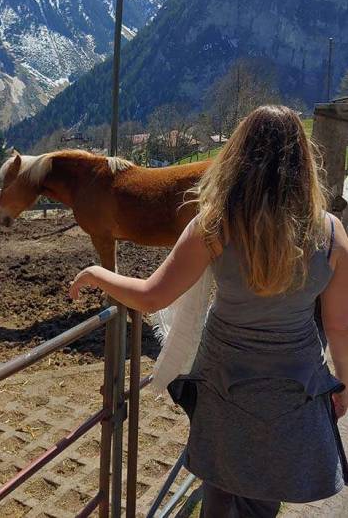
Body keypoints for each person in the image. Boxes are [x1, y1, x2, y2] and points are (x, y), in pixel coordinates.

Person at [70, 105, 348, 517]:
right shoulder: (330, 233)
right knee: (262, 497)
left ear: (238, 156)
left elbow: (151, 296)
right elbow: (339, 326)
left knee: (219, 486)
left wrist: (98, 273)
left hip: (224, 384)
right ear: (303, 163)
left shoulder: (214, 225)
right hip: (293, 387)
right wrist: (342, 380)